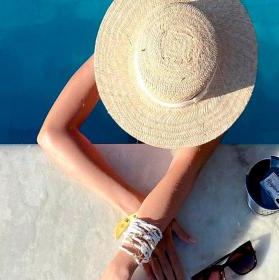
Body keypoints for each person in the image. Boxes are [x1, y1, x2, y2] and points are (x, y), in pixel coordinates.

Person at [37, 1, 257, 279]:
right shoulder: (147, 43)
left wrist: (131, 250)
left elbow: (185, 167)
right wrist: (141, 216)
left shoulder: (210, 75)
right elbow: (51, 135)